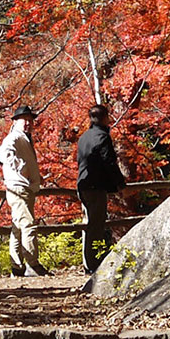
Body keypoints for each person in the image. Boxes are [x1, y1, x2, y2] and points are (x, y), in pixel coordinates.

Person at [0, 106, 48, 277]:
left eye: (30, 119)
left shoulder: (24, 138)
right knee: (28, 225)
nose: (28, 123)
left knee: (18, 226)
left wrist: (33, 176)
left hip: (22, 187)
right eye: (24, 119)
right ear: (15, 121)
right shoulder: (14, 137)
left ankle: (17, 267)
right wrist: (22, 169)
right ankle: (32, 264)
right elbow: (4, 155)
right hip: (18, 187)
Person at [76, 104, 126, 275]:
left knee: (92, 224)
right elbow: (109, 162)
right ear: (105, 117)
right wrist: (119, 183)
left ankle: (91, 261)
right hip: (95, 186)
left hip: (83, 185)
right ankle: (93, 263)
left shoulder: (84, 137)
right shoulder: (102, 137)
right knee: (96, 225)